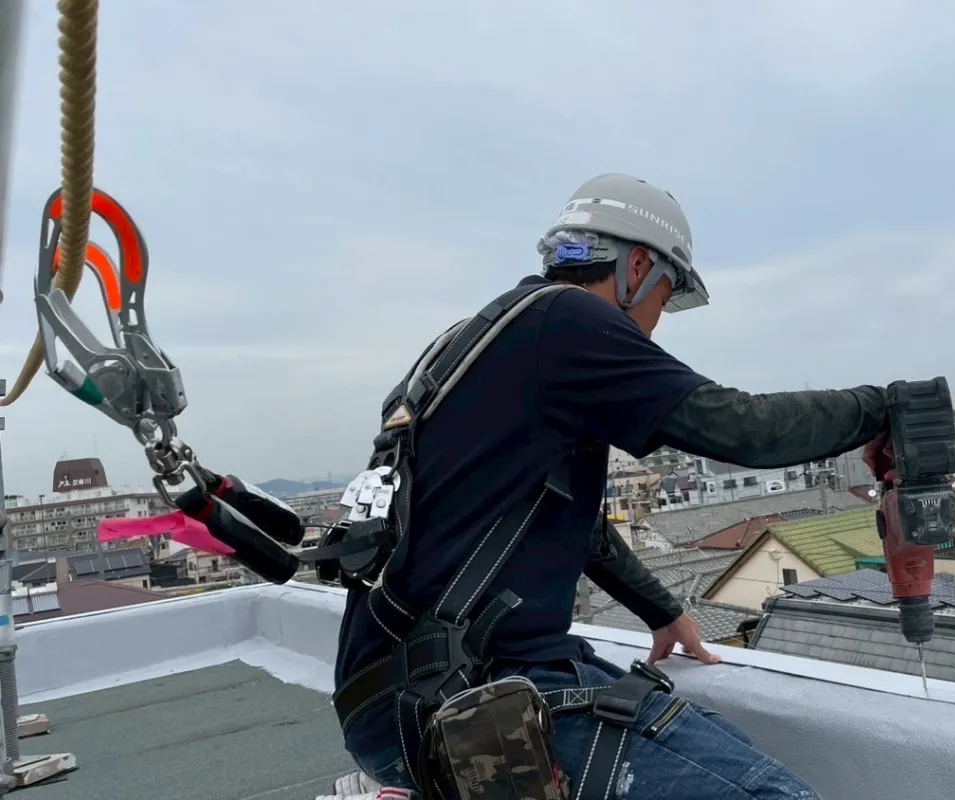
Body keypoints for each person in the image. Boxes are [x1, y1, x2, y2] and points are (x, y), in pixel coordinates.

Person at [333, 173, 891, 800]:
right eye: (665, 297)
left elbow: (574, 523)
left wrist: (662, 611)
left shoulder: (473, 343)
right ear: (637, 268)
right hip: (464, 700)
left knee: (718, 742)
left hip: (400, 689)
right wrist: (885, 407)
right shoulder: (565, 321)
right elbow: (747, 430)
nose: (655, 324)